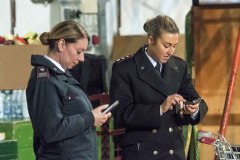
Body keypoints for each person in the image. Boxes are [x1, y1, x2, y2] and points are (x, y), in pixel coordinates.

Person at [110, 15, 208, 160]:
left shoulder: (179, 66)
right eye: (166, 45)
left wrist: (193, 110)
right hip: (142, 152)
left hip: (173, 151)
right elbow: (121, 112)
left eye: (174, 46)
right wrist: (160, 109)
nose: (171, 51)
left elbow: (197, 100)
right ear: (150, 40)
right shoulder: (125, 68)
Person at [26, 20, 111, 160]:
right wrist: (90, 118)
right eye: (79, 51)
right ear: (61, 44)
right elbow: (50, 130)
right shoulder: (45, 80)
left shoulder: (60, 76)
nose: (82, 58)